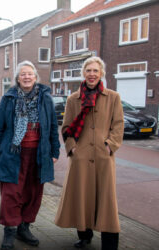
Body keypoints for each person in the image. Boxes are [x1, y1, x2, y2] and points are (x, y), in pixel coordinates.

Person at [55, 56, 124, 250]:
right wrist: (72, 149)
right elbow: (67, 127)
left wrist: (111, 145)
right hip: (81, 156)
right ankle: (84, 235)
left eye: (95, 70)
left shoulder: (113, 97)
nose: (92, 74)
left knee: (106, 200)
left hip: (103, 156)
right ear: (83, 73)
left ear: (101, 73)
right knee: (82, 196)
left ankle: (109, 243)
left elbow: (118, 125)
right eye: (88, 70)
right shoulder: (73, 99)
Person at [0, 60, 60, 250]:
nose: (27, 77)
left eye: (30, 73)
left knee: (33, 193)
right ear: (18, 78)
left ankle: (24, 227)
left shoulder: (45, 98)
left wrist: (54, 151)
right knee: (11, 193)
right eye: (23, 74)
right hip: (13, 153)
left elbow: (53, 127)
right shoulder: (8, 98)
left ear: (35, 77)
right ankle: (9, 231)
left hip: (39, 153)